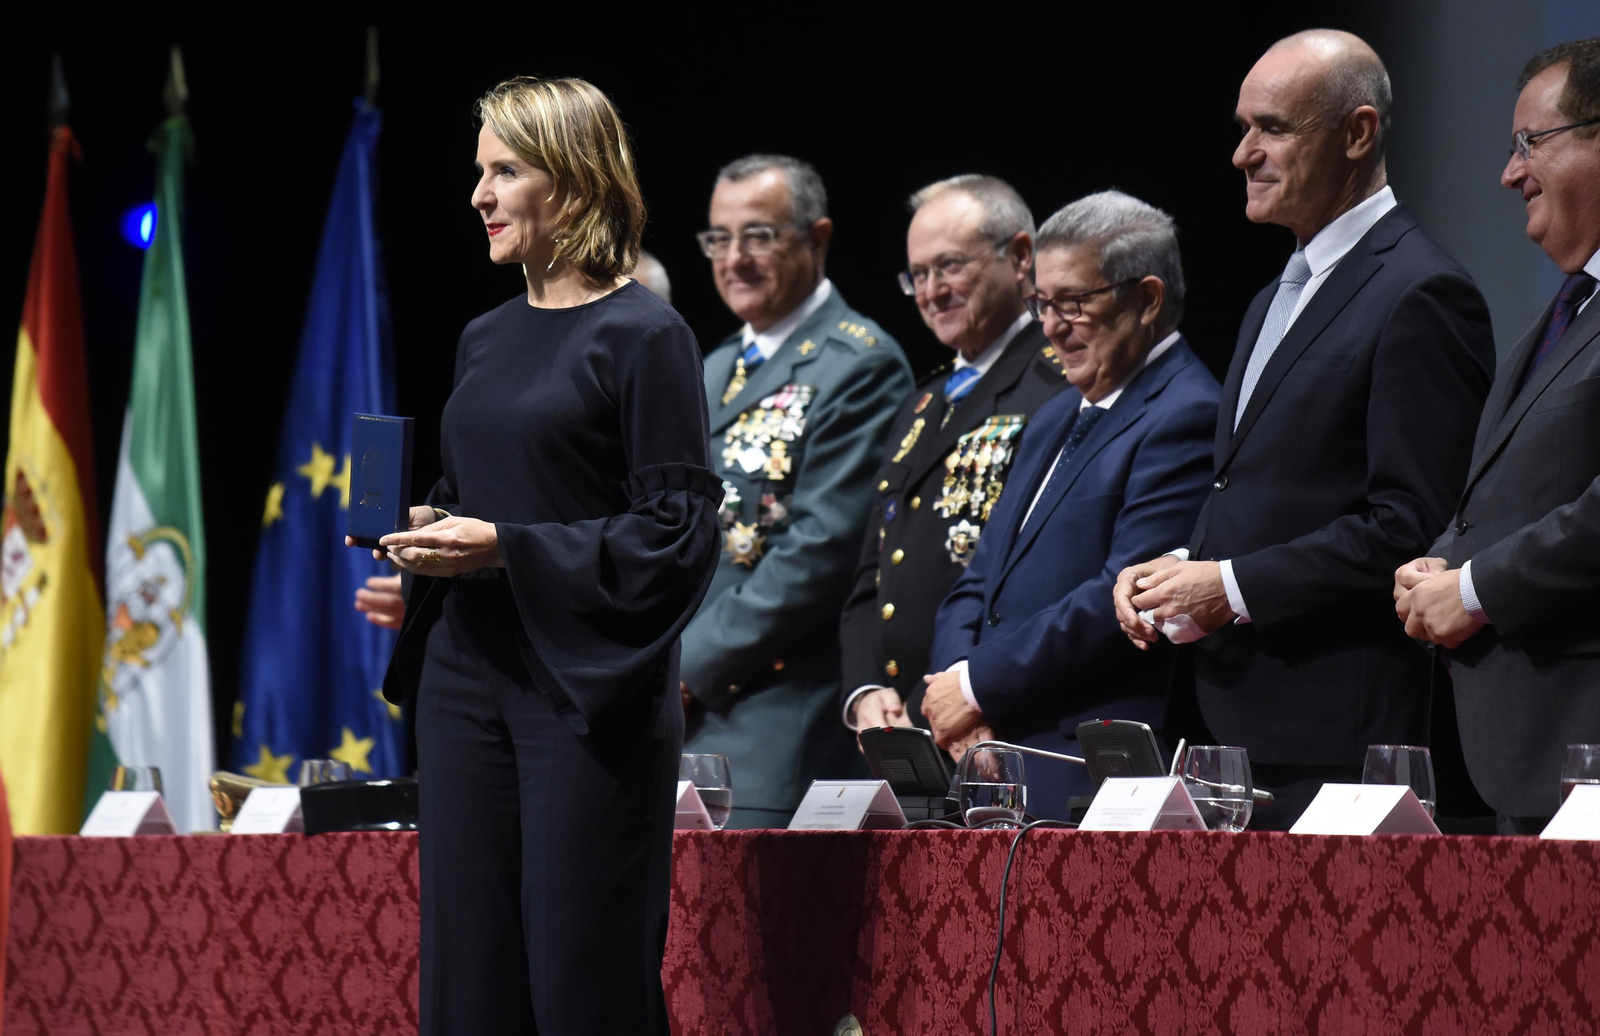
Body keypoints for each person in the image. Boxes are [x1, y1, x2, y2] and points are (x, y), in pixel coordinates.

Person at [361, 77, 722, 1034]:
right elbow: (490, 492)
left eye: (504, 170)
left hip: (585, 697)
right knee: (469, 979)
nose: (478, 194)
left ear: (571, 181)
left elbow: (678, 535)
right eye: (478, 171)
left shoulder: (647, 334)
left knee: (580, 982)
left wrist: (503, 550)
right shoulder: (483, 338)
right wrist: (434, 532)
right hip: (465, 682)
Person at [1113, 30, 1495, 829]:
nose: (1242, 153)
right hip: (1227, 732)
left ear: (1357, 133)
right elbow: (1270, 496)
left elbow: (1413, 528)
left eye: (1273, 128)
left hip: (1336, 748)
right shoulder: (1270, 299)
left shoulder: (1422, 293)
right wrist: (1179, 569)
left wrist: (1228, 588)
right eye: (1243, 127)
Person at [925, 191, 1219, 817]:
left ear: (1146, 298)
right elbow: (980, 578)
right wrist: (954, 691)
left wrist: (976, 687)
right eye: (1041, 303)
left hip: (1083, 768)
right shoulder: (1055, 413)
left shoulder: (1188, 413)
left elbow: (1121, 598)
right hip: (987, 752)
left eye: (1074, 303)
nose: (1051, 326)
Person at [1396, 39, 1600, 835]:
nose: (1510, 174)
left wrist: (1475, 590)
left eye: (1530, 144)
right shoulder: (1563, 310)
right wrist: (1438, 565)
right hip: (1517, 757)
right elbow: (1516, 491)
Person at [680, 154, 913, 827]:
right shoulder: (714, 364)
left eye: (759, 235)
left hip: (774, 721)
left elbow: (822, 550)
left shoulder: (859, 363)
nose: (734, 257)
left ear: (817, 238)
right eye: (719, 238)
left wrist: (687, 668)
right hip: (680, 714)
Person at [839, 175, 1067, 738]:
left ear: (1019, 257)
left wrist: (946, 692)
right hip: (893, 730)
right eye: (918, 274)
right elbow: (873, 571)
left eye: (951, 266)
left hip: (990, 718)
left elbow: (1045, 578)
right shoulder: (922, 403)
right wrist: (866, 690)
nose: (931, 291)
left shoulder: (1059, 386)